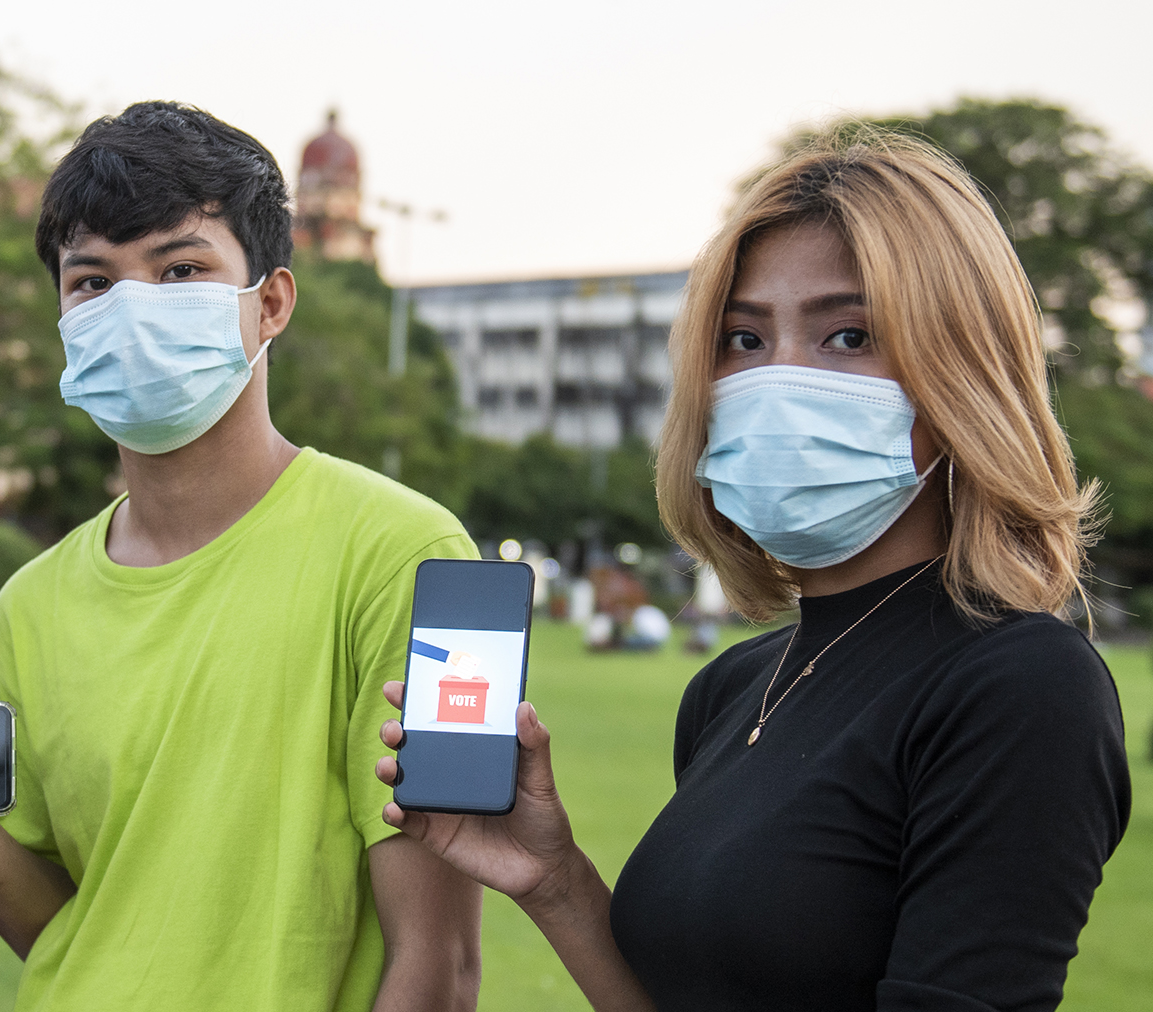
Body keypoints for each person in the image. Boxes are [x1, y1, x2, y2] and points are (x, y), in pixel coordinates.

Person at [373, 130, 1131, 1012]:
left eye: (849, 335)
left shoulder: (1020, 686)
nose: (781, 380)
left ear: (961, 371)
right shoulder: (731, 687)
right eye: (743, 337)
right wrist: (553, 880)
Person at [0, 101, 483, 1011]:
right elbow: (65, 931)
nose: (133, 308)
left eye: (181, 269)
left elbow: (438, 966)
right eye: (92, 282)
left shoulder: (415, 558)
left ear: (271, 304)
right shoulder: (28, 604)